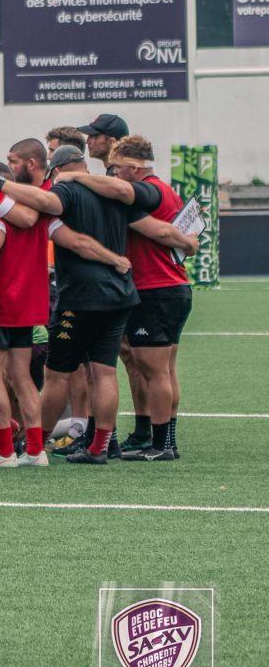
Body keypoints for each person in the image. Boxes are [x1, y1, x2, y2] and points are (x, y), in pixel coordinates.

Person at [0, 143, 161, 466]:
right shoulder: (111, 190)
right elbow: (153, 225)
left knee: (57, 373)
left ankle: (35, 446)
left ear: (56, 170)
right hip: (120, 294)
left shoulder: (67, 189)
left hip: (82, 297)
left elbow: (57, 215)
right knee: (104, 371)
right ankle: (100, 447)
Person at [108, 136, 197, 460]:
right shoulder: (168, 191)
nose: (114, 174)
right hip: (173, 288)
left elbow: (160, 232)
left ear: (134, 167)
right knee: (166, 370)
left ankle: (160, 446)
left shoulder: (148, 192)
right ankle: (166, 442)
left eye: (117, 168)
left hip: (155, 289)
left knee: (155, 370)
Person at [0, 141, 52, 468]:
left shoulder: (0, 209)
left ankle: (5, 452)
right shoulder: (38, 206)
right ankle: (35, 450)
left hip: (0, 301)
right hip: (28, 303)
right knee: (21, 376)